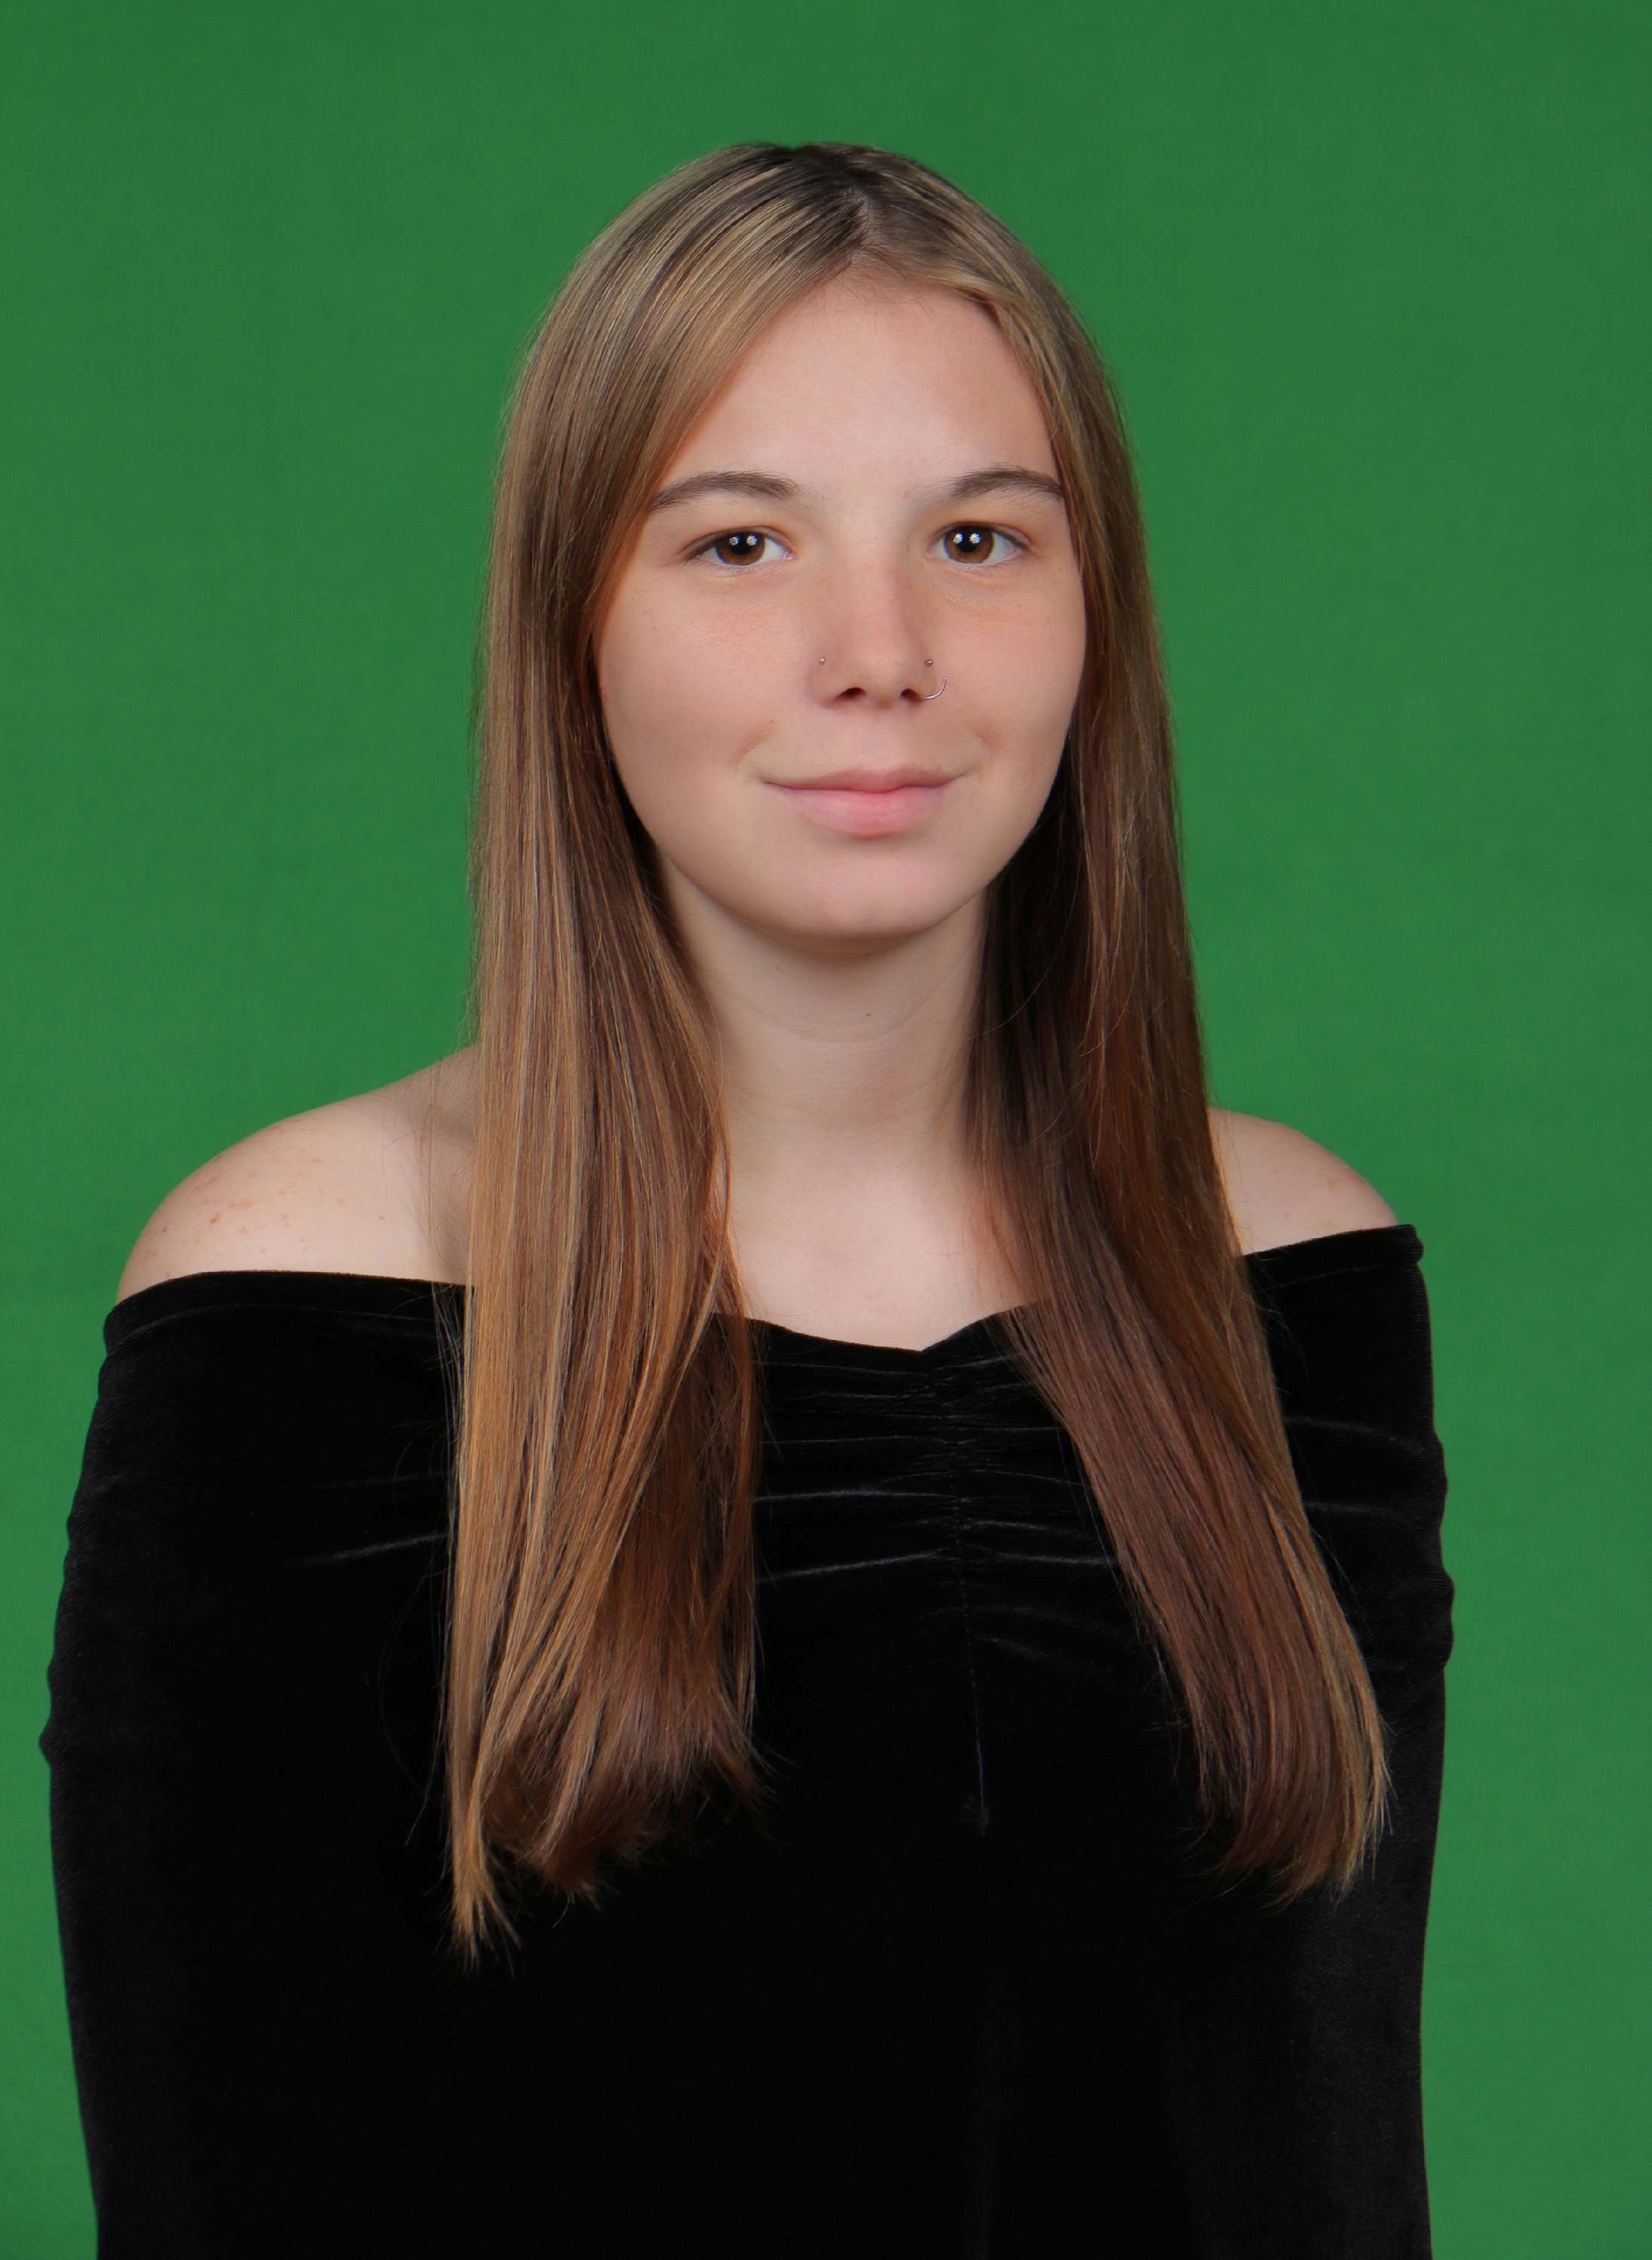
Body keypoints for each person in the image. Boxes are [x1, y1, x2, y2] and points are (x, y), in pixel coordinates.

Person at [45, 143, 1452, 2256]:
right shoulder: (302, 1289)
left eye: (978, 537)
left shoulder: (1289, 1270)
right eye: (738, 543)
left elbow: (1317, 2155)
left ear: (1098, 617)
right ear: (574, 623)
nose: (879, 650)